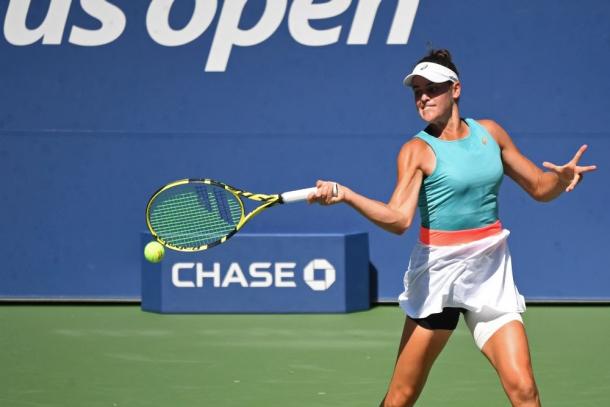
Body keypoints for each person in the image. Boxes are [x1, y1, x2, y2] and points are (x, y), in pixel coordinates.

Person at [308, 49, 596, 407]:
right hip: (438, 275)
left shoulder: (490, 133)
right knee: (401, 396)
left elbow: (539, 188)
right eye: (417, 91)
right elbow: (399, 219)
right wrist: (347, 194)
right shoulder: (416, 150)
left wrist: (561, 178)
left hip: (490, 272)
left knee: (524, 390)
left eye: (432, 88)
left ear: (455, 89)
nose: (423, 96)